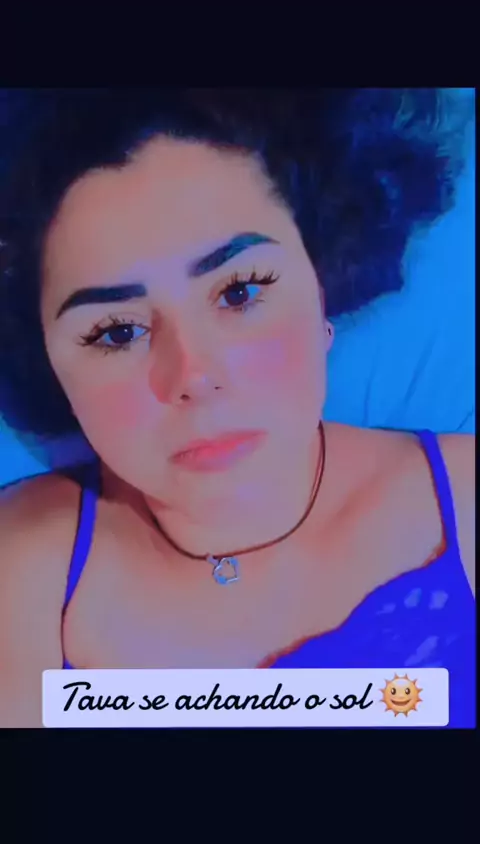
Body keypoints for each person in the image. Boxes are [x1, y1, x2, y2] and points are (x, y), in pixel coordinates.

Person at [0, 88, 474, 728]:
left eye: (241, 292)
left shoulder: (466, 502)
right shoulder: (24, 575)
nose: (195, 376)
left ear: (322, 282)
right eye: (115, 331)